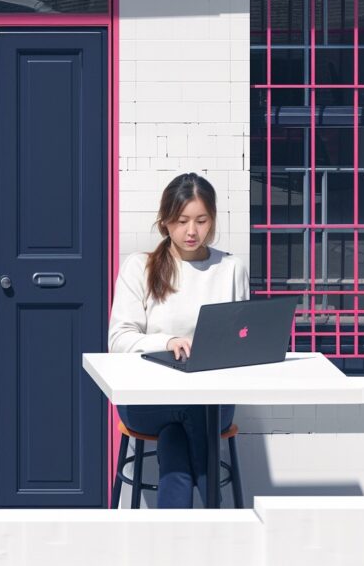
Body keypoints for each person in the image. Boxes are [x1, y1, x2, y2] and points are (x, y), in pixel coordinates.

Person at [108, 172, 249, 508]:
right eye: (182, 220)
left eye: (201, 220)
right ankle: (216, 517)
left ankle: (173, 536)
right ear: (166, 221)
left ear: (212, 220)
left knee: (179, 434)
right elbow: (119, 340)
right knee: (192, 417)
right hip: (148, 401)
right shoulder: (140, 267)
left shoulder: (230, 268)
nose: (191, 231)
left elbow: (243, 341)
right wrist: (167, 341)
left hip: (211, 400)